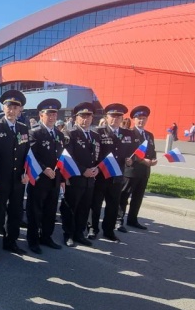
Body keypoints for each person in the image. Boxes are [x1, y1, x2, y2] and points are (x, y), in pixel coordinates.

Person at [0, 90, 30, 258]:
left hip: (18, 179)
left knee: (16, 213)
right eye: (9, 106)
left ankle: (11, 242)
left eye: (16, 107)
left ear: (20, 110)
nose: (12, 110)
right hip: (0, 179)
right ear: (3, 108)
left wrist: (27, 172)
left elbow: (27, 154)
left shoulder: (24, 128)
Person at [89, 103, 134, 243]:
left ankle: (109, 231)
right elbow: (93, 153)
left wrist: (131, 161)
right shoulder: (98, 132)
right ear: (106, 117)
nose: (115, 119)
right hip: (101, 175)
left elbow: (133, 153)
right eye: (112, 116)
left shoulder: (128, 134)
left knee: (113, 205)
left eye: (119, 116)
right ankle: (92, 229)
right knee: (95, 204)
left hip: (117, 176)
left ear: (122, 118)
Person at [26, 98, 65, 254]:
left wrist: (61, 179)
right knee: (35, 212)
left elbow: (61, 157)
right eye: (48, 114)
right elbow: (30, 156)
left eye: (54, 114)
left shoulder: (59, 135)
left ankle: (46, 237)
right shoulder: (34, 132)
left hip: (54, 180)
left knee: (50, 211)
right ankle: (33, 240)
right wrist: (43, 169)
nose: (52, 117)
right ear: (41, 115)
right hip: (39, 179)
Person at [60, 102, 100, 247]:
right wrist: (83, 170)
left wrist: (97, 169)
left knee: (84, 208)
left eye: (88, 116)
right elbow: (68, 157)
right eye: (82, 116)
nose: (86, 119)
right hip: (75, 178)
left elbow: (98, 156)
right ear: (76, 118)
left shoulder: (95, 135)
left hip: (90, 180)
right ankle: (68, 234)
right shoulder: (70, 134)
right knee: (71, 208)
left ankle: (79, 233)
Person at [118, 105, 157, 233]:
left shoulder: (149, 135)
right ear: (134, 119)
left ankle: (132, 219)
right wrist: (142, 160)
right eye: (139, 118)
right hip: (131, 171)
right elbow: (127, 152)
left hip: (144, 172)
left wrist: (153, 160)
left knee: (138, 197)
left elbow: (152, 151)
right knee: (124, 196)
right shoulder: (128, 133)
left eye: (144, 118)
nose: (141, 121)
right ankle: (119, 220)